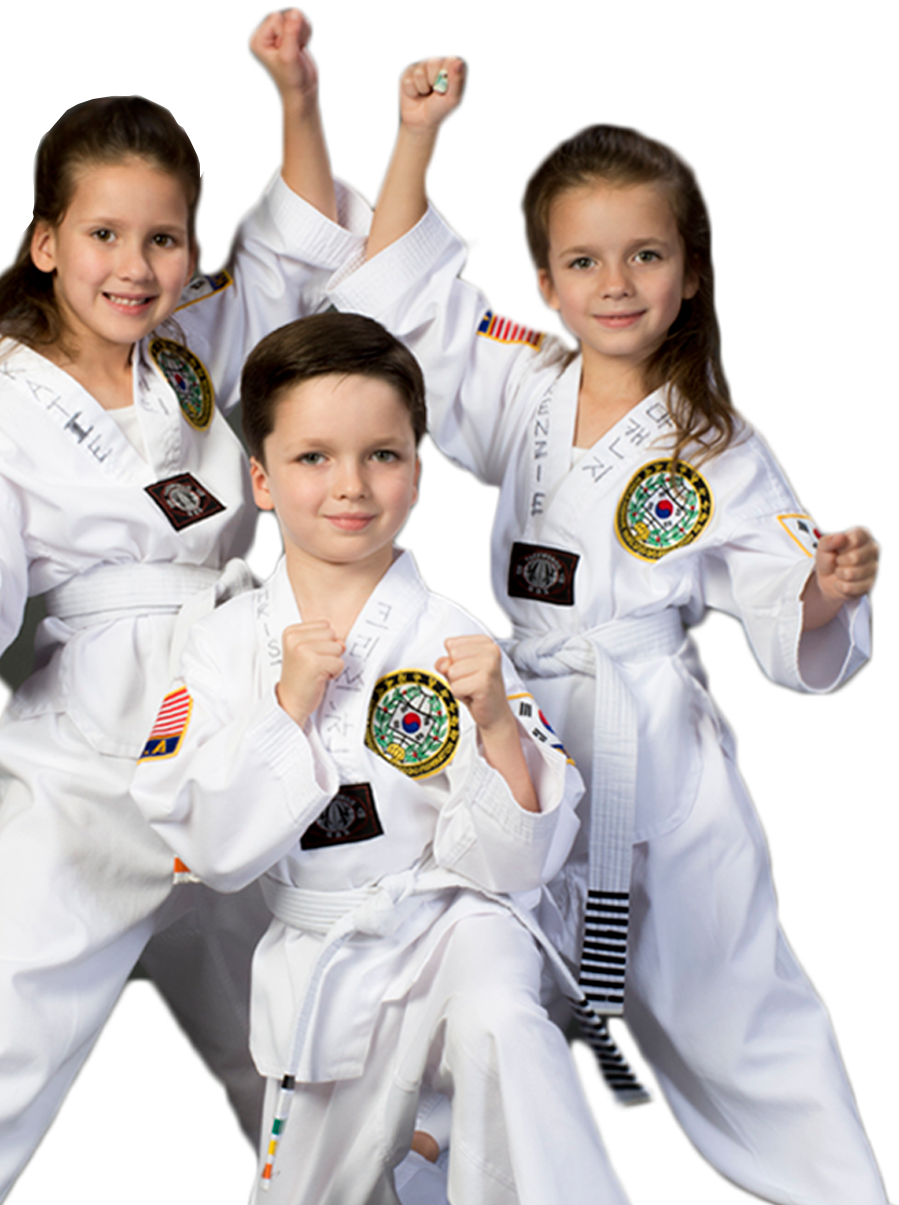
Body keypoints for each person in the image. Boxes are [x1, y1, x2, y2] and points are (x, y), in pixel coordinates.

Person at [322, 57, 890, 1205]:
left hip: (652, 749)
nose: (615, 283)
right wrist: (417, 131)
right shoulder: (526, 374)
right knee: (451, 981)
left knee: (741, 1010)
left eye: (646, 255)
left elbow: (785, 595)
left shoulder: (714, 439)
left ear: (690, 275)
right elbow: (394, 305)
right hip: (515, 729)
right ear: (545, 278)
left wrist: (826, 586)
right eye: (584, 260)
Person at [0, 13, 378, 1203]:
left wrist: (293, 90)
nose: (134, 266)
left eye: (162, 238)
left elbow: (292, 253)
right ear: (46, 242)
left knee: (301, 1030)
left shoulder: (187, 355)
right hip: (93, 748)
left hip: (234, 715)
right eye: (103, 234)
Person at [131, 310, 639, 1204]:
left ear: (415, 477)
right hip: (318, 960)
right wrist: (288, 704)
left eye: (384, 455)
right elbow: (209, 847)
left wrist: (496, 732)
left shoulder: (453, 633)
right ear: (261, 477)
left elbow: (515, 863)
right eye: (314, 456)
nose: (350, 485)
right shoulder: (220, 644)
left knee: (504, 1026)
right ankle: (420, 1145)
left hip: (449, 927)